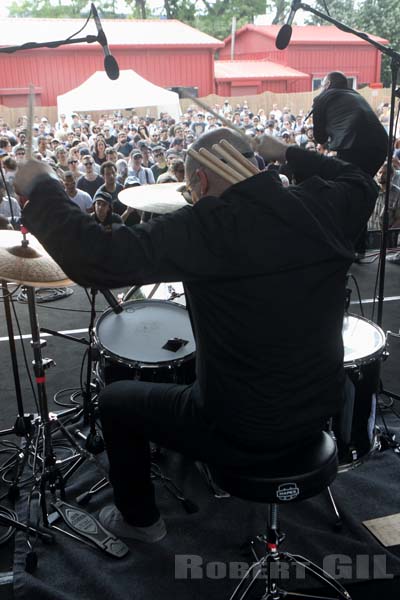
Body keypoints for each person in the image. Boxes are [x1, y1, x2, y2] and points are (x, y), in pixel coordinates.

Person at [16, 127, 378, 543]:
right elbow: (361, 181)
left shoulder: (211, 227)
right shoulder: (325, 203)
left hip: (240, 427)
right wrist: (290, 152)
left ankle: (140, 521)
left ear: (200, 181)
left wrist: (42, 185)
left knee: (116, 400)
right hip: (319, 410)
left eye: (191, 190)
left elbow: (97, 258)